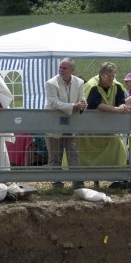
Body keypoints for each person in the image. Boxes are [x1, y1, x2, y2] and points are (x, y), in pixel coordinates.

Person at [45, 58, 87, 187]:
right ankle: (56, 184)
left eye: (64, 68)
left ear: (72, 70)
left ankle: (78, 183)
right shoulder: (51, 83)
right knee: (55, 155)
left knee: (73, 154)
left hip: (71, 124)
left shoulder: (79, 82)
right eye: (60, 67)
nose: (61, 70)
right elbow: (54, 103)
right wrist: (74, 106)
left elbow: (82, 99)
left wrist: (83, 104)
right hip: (53, 124)